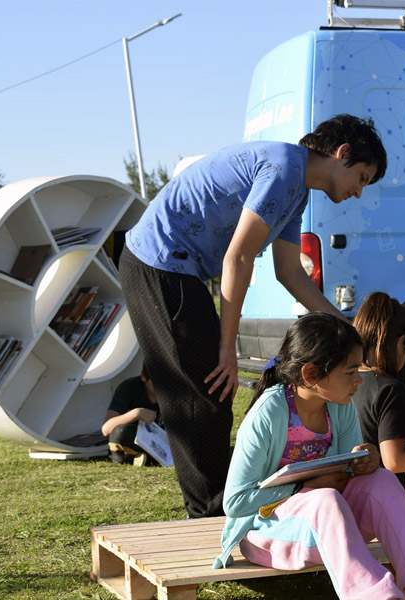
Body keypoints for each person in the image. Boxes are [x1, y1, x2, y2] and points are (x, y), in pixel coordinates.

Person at [119, 114, 387, 517]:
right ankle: (211, 514)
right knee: (204, 393)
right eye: (362, 178)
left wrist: (344, 328)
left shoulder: (296, 188)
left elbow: (290, 273)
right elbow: (239, 257)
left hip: (174, 269)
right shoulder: (283, 170)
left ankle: (215, 506)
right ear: (342, 153)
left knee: (210, 393)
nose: (359, 192)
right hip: (159, 263)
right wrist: (228, 347)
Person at [213, 312, 405, 600]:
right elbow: (235, 502)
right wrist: (302, 487)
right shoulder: (270, 413)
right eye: (350, 372)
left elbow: (346, 474)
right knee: (325, 499)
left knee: (383, 481)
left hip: (334, 529)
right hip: (271, 535)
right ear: (310, 374)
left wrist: (364, 463)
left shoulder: (339, 405)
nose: (358, 381)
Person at [351, 291, 405, 487]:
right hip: (381, 495)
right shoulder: (390, 389)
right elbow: (395, 461)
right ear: (401, 342)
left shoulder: (346, 381)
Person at [101, 362, 160, 465]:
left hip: (164, 440)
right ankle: (144, 457)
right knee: (119, 433)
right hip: (137, 438)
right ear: (143, 377)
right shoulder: (129, 387)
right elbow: (106, 429)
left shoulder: (176, 392)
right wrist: (136, 413)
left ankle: (145, 458)